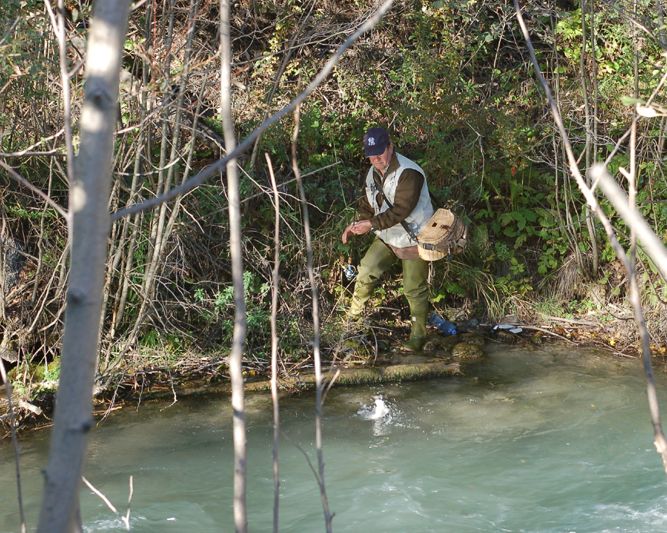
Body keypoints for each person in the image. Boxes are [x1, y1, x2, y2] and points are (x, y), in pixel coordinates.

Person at [341, 126, 434, 352]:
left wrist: (370, 224)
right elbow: (368, 204)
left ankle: (418, 336)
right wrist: (357, 224)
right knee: (366, 270)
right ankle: (352, 323)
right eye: (371, 155)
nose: (376, 159)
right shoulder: (372, 173)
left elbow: (401, 210)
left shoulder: (409, 173)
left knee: (414, 288)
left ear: (390, 147)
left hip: (414, 237)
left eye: (379, 153)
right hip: (387, 235)